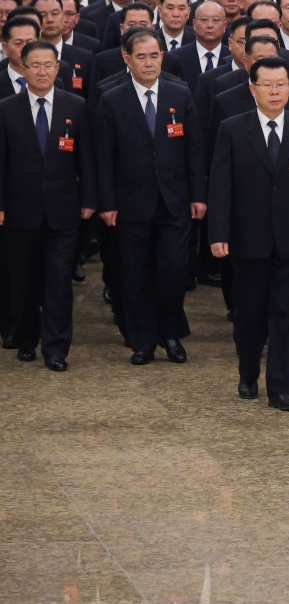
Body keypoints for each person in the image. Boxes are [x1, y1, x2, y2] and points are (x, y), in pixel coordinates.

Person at [208, 57, 289, 411]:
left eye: (281, 84)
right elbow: (220, 186)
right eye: (267, 84)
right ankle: (248, 374)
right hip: (248, 238)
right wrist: (218, 232)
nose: (275, 91)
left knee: (287, 313)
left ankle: (282, 388)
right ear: (253, 89)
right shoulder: (233, 128)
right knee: (250, 312)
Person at [95, 28, 206, 365]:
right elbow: (103, 157)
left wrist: (199, 195)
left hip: (175, 199)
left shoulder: (180, 93)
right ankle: (142, 339)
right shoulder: (110, 98)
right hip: (130, 202)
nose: (148, 62)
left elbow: (194, 150)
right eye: (140, 56)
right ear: (127, 59)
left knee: (174, 269)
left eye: (154, 55)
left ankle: (170, 332)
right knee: (136, 272)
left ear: (162, 56)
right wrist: (107, 202)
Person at [0, 40, 95, 370]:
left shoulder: (76, 106)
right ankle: (26, 338)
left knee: (58, 282)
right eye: (34, 65)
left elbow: (87, 160)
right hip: (19, 210)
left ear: (57, 68)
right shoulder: (6, 108)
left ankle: (56, 348)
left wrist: (90, 200)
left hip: (63, 210)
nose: (42, 71)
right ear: (23, 69)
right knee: (22, 281)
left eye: (48, 65)